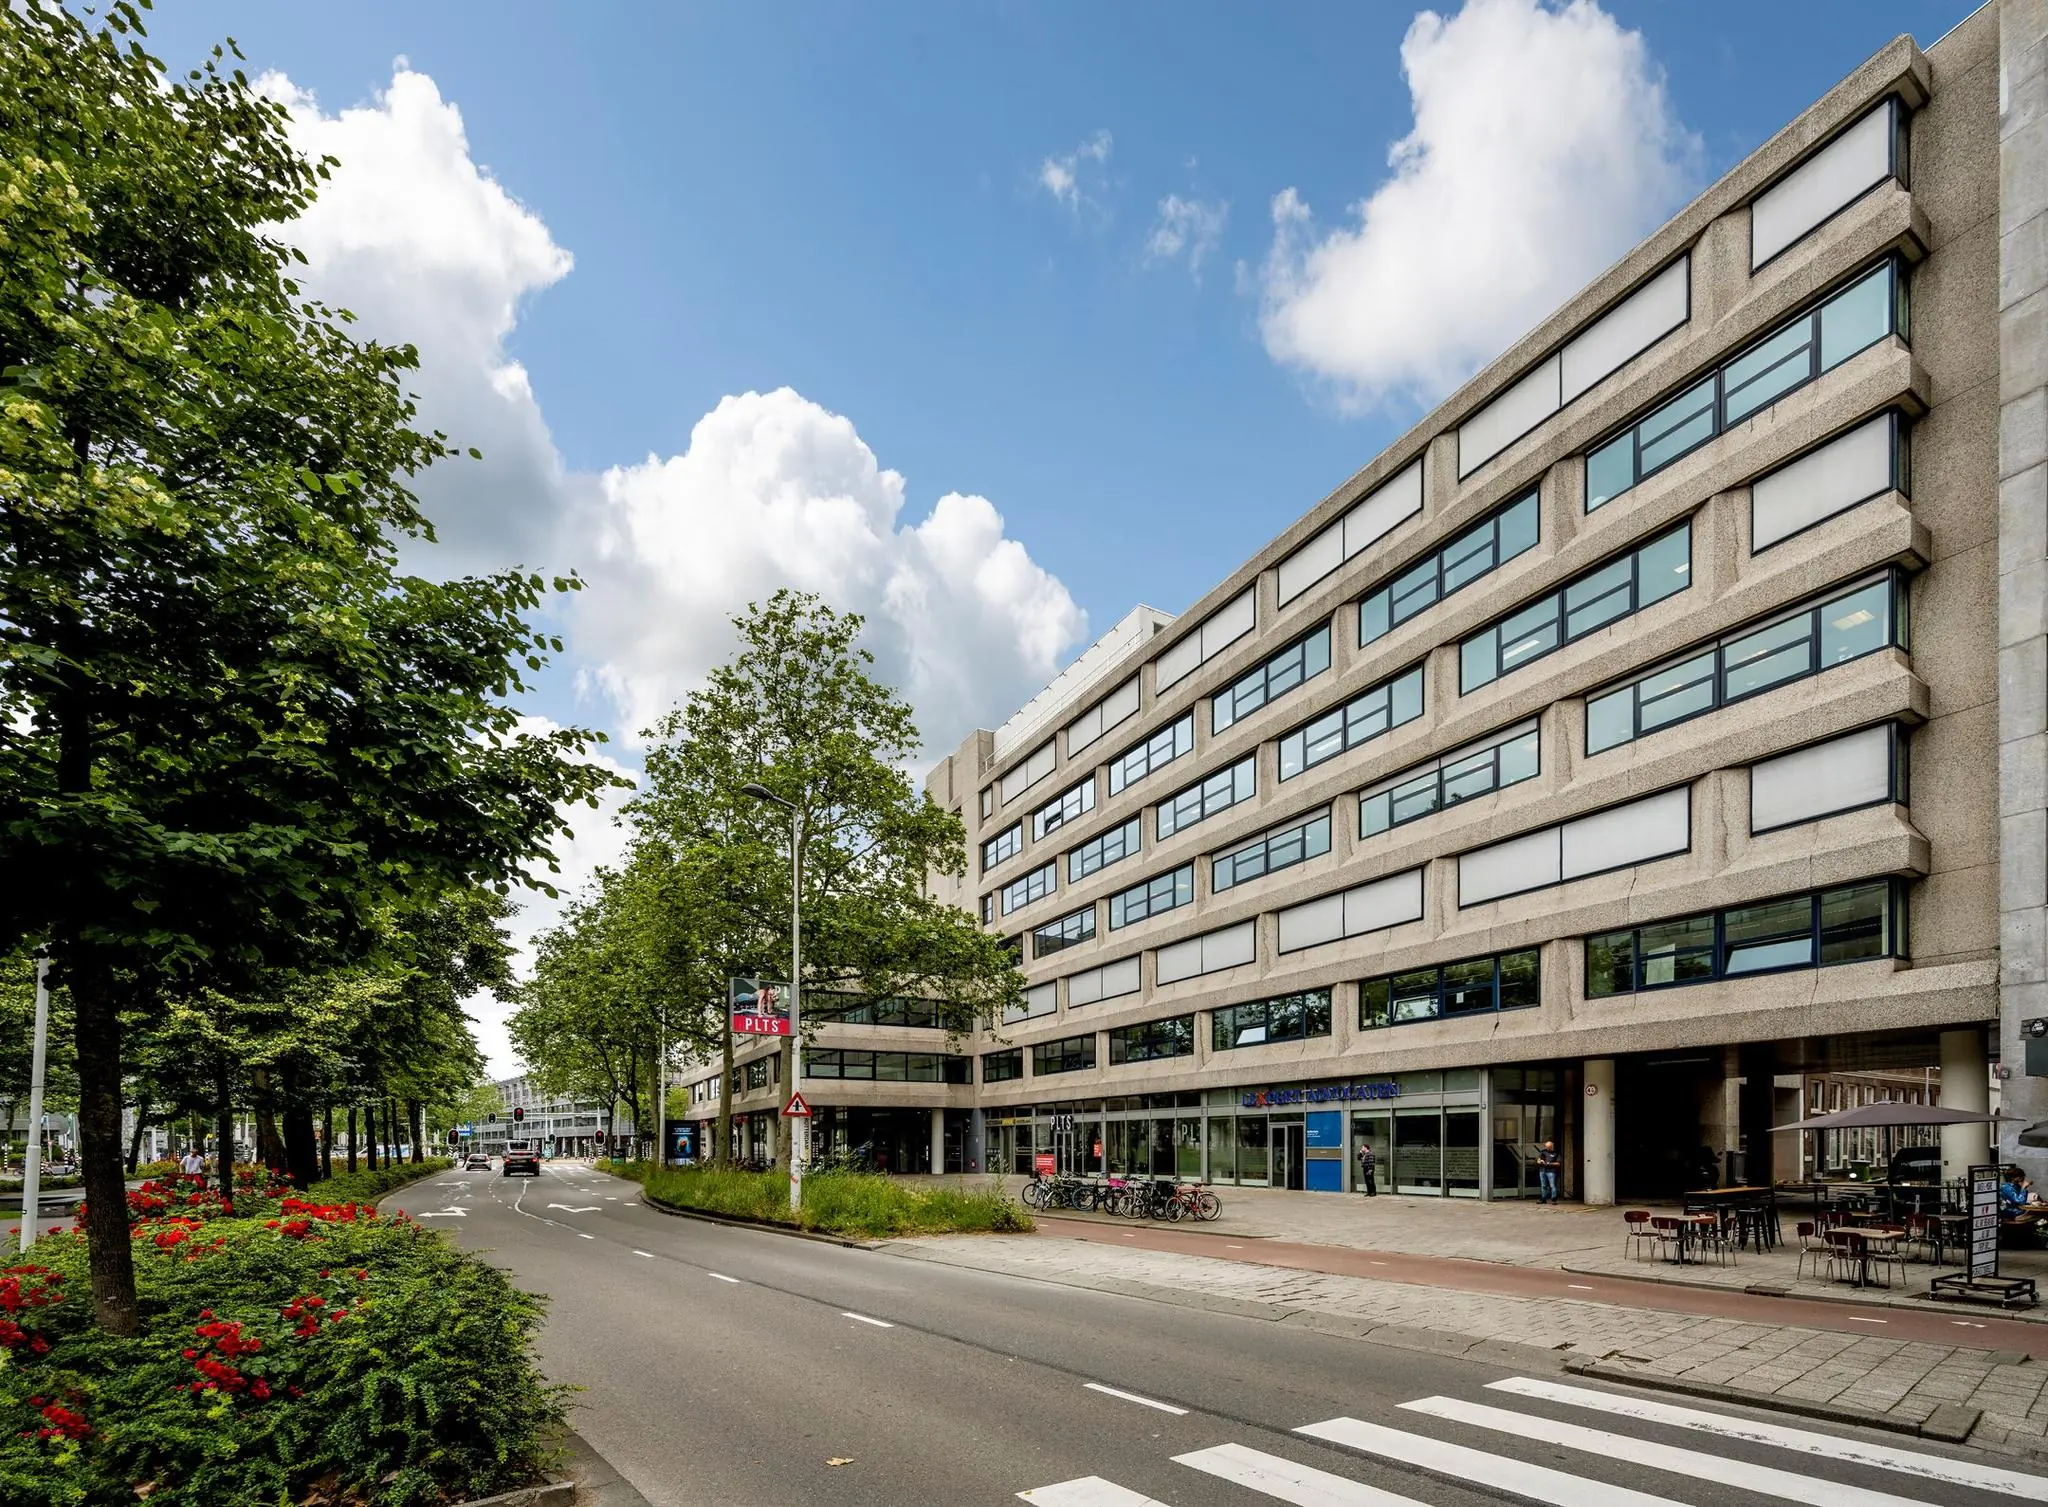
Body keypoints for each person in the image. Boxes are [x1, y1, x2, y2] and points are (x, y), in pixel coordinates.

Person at [1537, 1141, 1562, 1205]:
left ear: (1552, 1147)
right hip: (1542, 1170)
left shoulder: (1556, 1153)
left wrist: (1549, 1163)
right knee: (1543, 1185)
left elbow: (1558, 1163)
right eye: (1546, 1147)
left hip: (1551, 1171)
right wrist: (1540, 1161)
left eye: (1548, 1147)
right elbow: (1538, 1160)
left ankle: (1554, 1199)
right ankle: (1543, 1199)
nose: (1547, 1148)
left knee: (1552, 1185)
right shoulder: (1543, 1152)